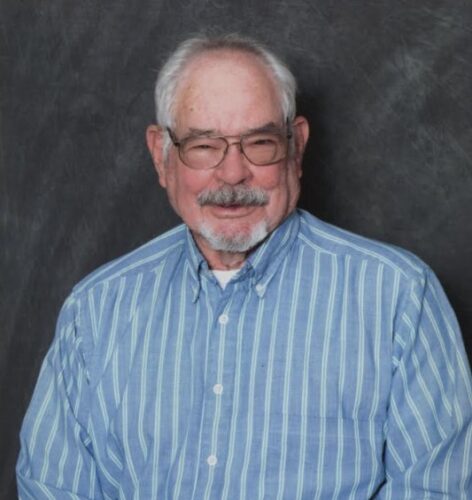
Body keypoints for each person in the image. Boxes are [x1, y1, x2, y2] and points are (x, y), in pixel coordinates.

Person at [17, 33, 472, 499]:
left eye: (259, 142)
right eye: (203, 145)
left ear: (296, 147)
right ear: (161, 155)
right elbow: (51, 489)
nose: (233, 173)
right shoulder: (95, 312)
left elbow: (437, 490)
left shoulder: (399, 299)